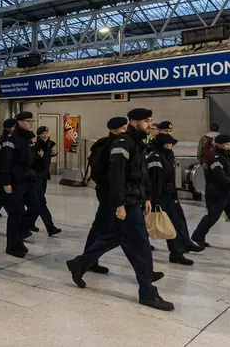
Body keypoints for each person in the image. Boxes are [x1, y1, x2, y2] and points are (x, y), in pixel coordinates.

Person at [66, 108, 174, 312]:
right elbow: (116, 176)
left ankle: (80, 264)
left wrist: (148, 197)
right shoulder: (123, 143)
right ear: (134, 122)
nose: (149, 123)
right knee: (141, 244)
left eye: (150, 120)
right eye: (146, 121)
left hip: (135, 199)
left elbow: (141, 174)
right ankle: (147, 292)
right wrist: (119, 204)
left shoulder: (139, 143)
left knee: (114, 237)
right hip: (127, 201)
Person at [148, 132, 204, 266]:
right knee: (171, 225)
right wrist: (157, 199)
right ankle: (176, 253)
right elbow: (156, 181)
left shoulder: (166, 156)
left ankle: (180, 249)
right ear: (165, 144)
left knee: (177, 222)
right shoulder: (156, 158)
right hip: (162, 197)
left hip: (169, 196)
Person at [82, 116, 129, 275]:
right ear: (113, 130)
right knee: (106, 226)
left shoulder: (107, 143)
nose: (125, 131)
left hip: (109, 191)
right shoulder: (109, 145)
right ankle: (87, 260)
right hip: (109, 191)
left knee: (102, 225)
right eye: (122, 128)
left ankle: (89, 259)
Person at [191, 134, 230, 252]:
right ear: (218, 144)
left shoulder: (228, 157)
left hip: (229, 193)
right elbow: (220, 177)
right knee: (212, 217)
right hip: (216, 194)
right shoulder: (214, 159)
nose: (228, 146)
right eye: (226, 144)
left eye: (229, 144)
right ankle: (197, 236)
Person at [0, 111, 38, 258]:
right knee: (15, 214)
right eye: (28, 121)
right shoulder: (12, 138)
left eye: (31, 121)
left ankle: (19, 235)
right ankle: (12, 246)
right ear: (20, 122)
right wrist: (6, 181)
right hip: (15, 181)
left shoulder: (28, 138)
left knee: (36, 207)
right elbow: (6, 161)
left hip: (27, 178)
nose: (30, 124)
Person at [29, 125, 61, 236]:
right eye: (42, 133)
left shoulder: (49, 144)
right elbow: (31, 162)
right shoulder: (35, 145)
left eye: (46, 133)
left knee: (38, 202)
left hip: (44, 176)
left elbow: (49, 158)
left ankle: (30, 223)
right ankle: (50, 227)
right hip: (36, 176)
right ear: (39, 134)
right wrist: (37, 157)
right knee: (41, 202)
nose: (45, 135)